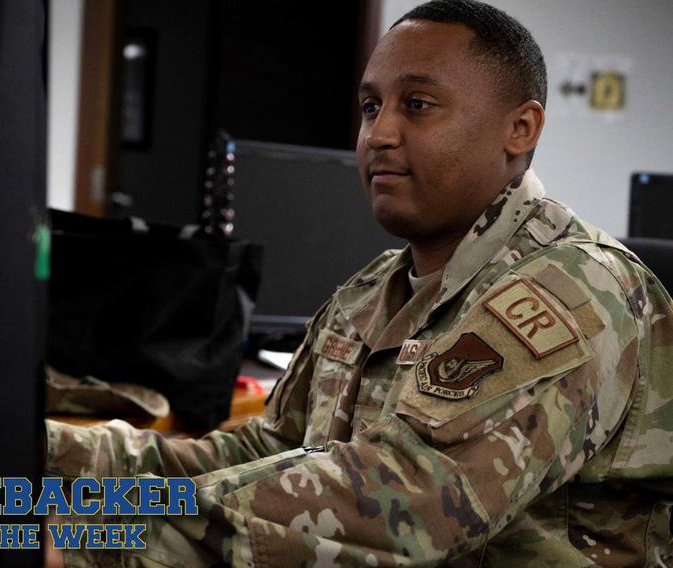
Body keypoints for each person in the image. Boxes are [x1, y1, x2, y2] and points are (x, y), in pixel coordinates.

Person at [45, 0, 673, 565]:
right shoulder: (372, 291)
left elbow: (410, 498)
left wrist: (97, 538)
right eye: (371, 107)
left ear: (521, 129)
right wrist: (38, 457)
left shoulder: (575, 288)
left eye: (417, 105)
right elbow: (268, 452)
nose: (380, 133)